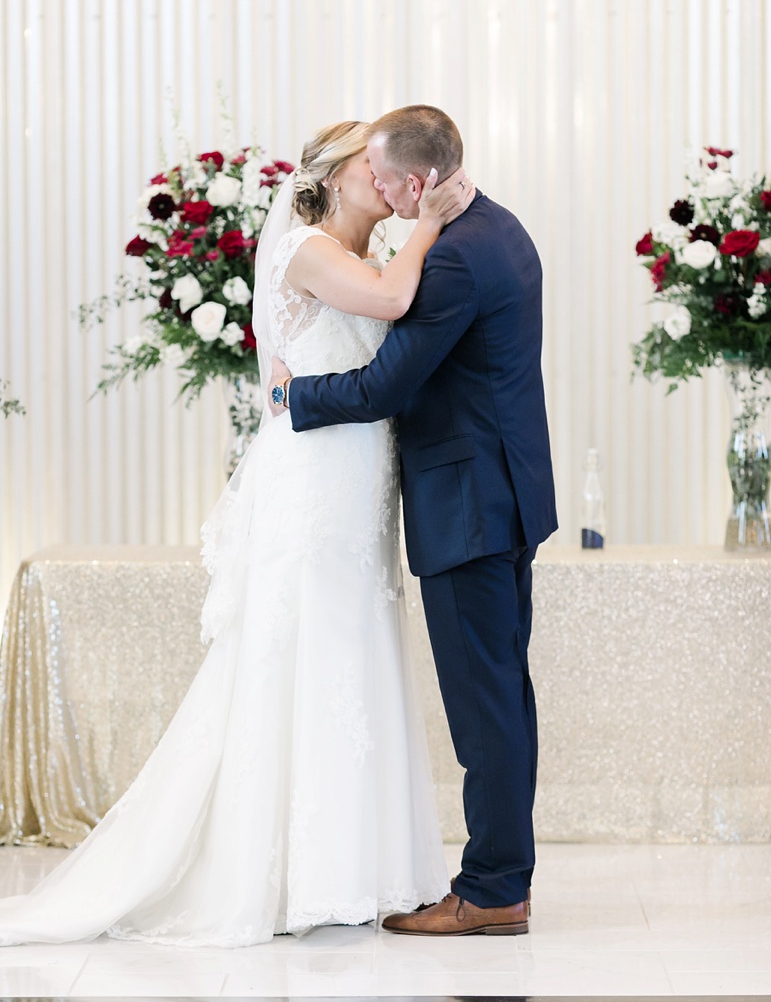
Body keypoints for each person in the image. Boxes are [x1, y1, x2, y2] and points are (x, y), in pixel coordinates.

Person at [0, 121, 473, 948]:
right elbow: (394, 305)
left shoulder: (364, 256)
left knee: (353, 645)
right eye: (369, 160)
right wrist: (432, 219)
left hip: (362, 481)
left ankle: (350, 868)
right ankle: (285, 871)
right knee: (306, 645)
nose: (384, 172)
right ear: (332, 175)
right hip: (315, 482)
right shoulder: (307, 250)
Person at [270, 105, 557, 938]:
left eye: (387, 178)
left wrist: (293, 393)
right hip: (504, 492)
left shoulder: (454, 261)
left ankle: (493, 887)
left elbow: (380, 389)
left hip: (468, 504)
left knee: (484, 704)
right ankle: (502, 875)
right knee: (503, 692)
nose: (383, 194)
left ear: (421, 180)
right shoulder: (500, 228)